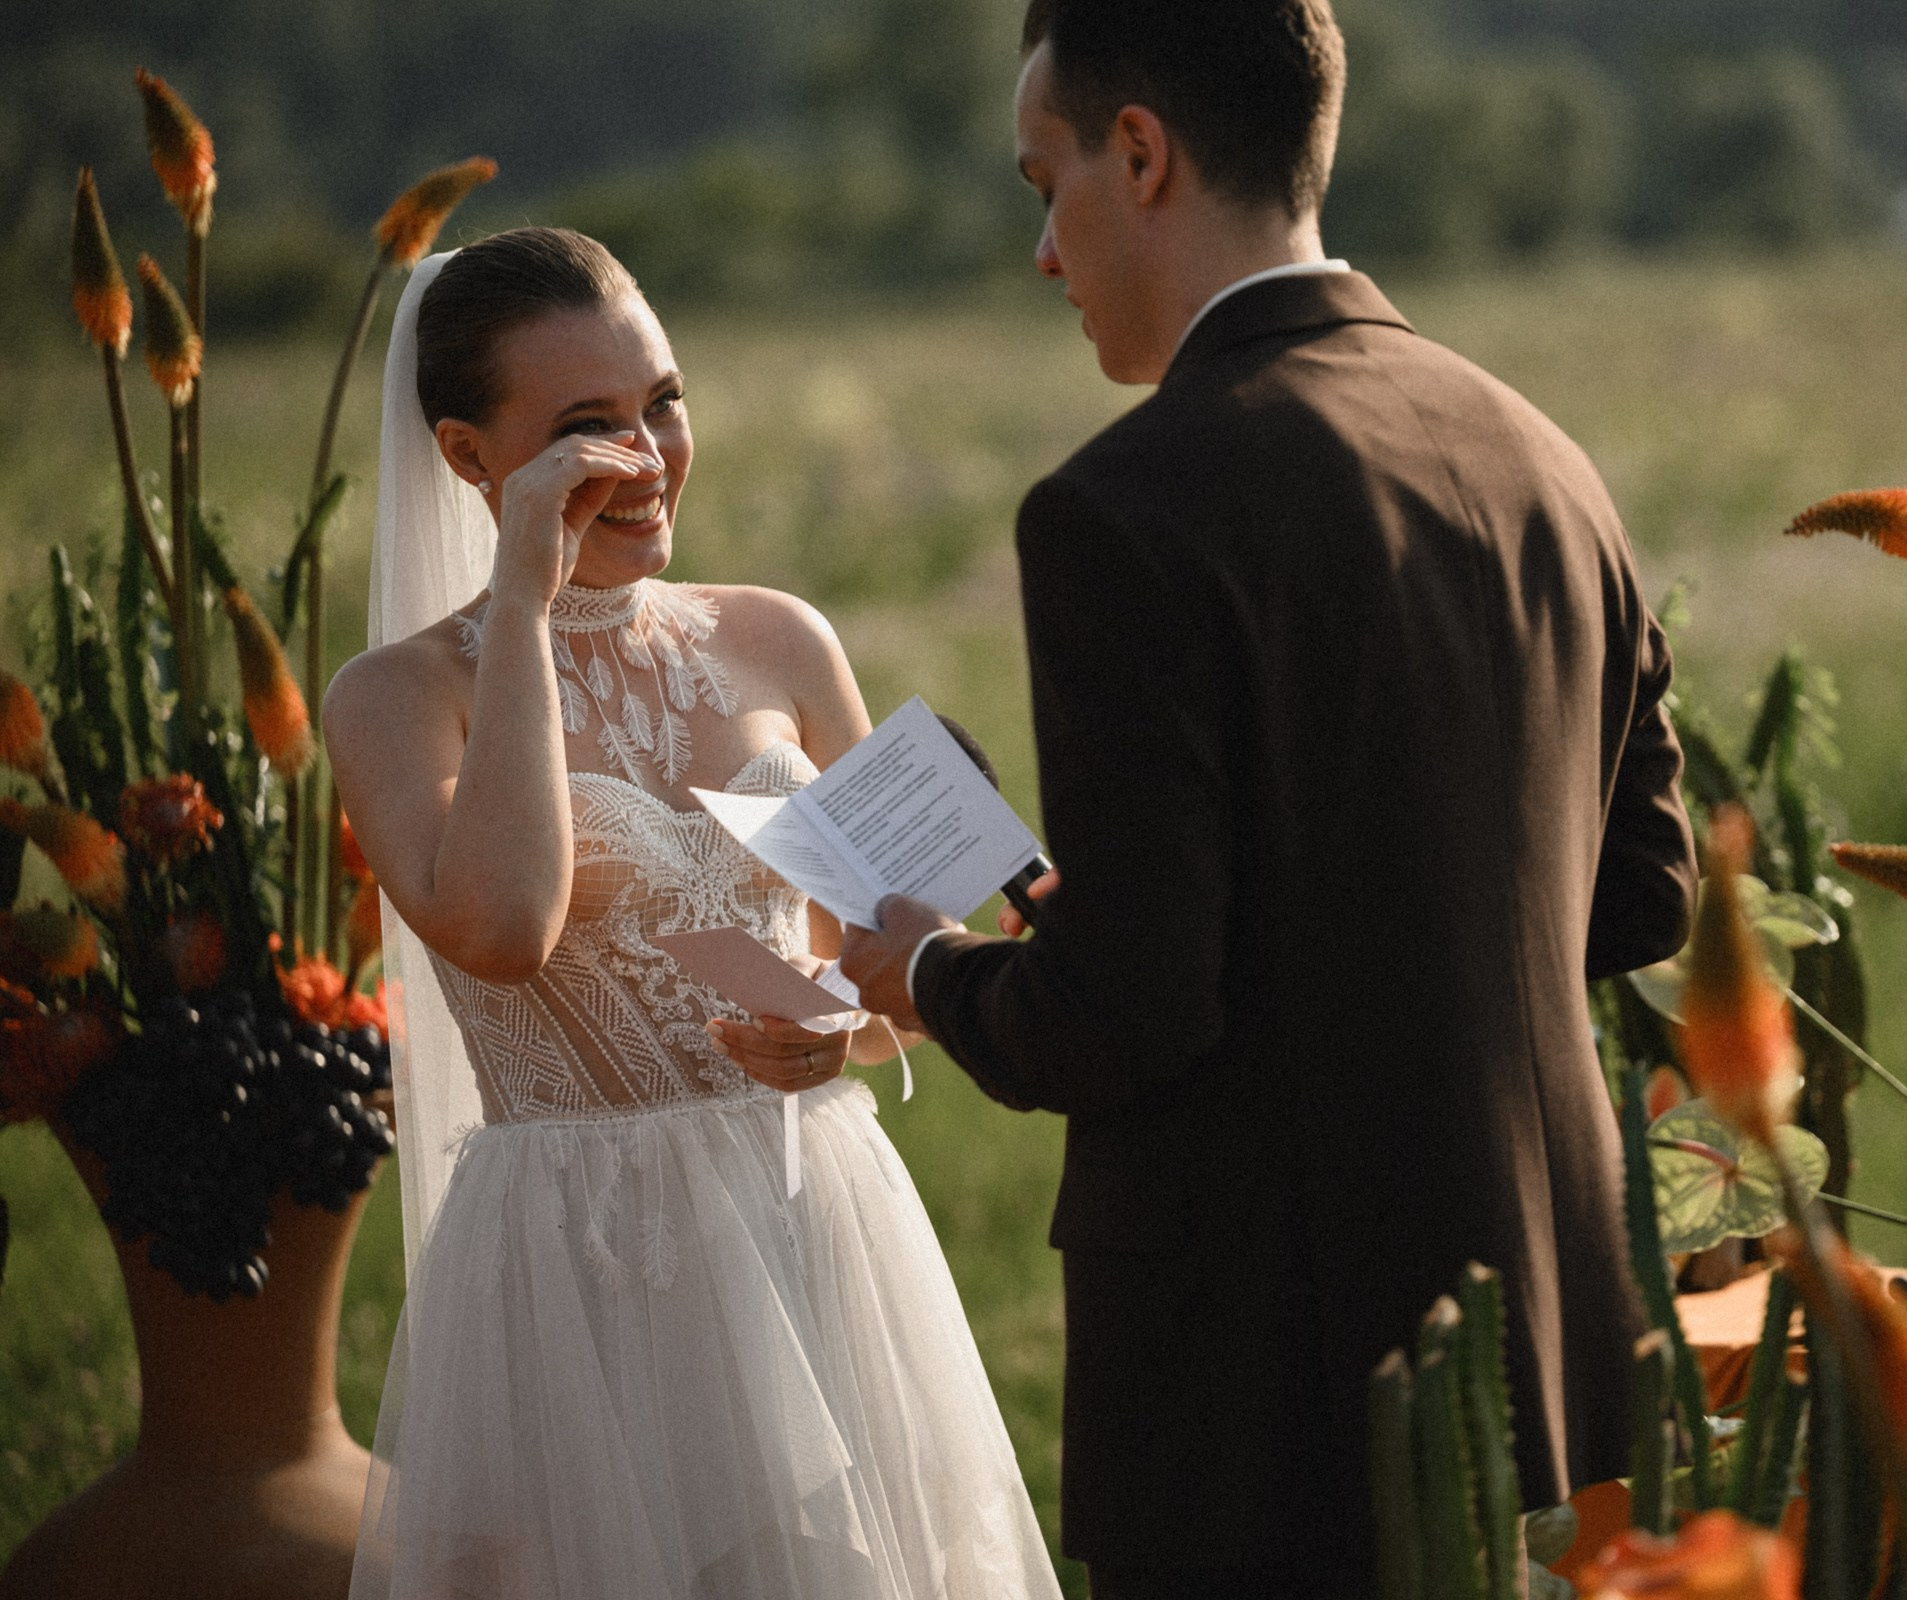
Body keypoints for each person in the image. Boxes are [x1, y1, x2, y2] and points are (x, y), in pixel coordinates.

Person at [839, 3, 1699, 1595]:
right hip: (1553, 1311)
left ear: (1143, 154)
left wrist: (930, 971)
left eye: (1048, 182)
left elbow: (1131, 1016)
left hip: (1267, 1362)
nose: (1044, 249)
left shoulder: (1123, 508)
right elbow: (1643, 895)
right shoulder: (1539, 454)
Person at [327, 226, 1062, 1600]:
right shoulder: (397, 697)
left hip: (814, 1222)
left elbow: (890, 969)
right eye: (586, 430)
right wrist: (528, 606)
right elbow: (503, 928)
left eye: (662, 400)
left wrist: (841, 1038)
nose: (650, 456)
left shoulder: (778, 637)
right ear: (473, 459)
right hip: (589, 1257)